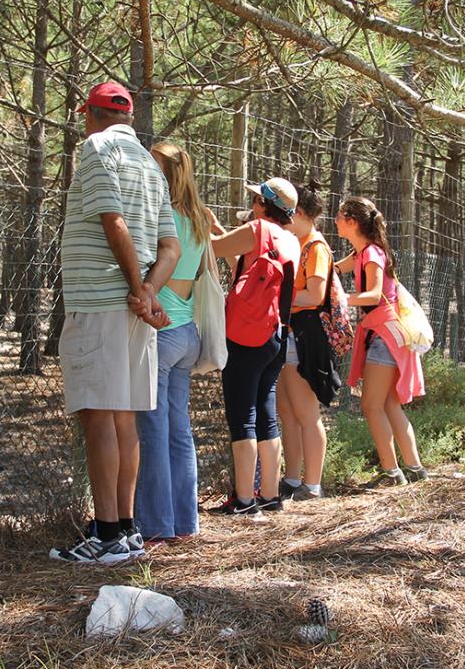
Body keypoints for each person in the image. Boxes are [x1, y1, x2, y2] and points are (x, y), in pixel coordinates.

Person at [50, 82, 180, 565]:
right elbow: (171, 248)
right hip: (133, 307)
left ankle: (106, 534)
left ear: (91, 115)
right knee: (123, 416)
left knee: (99, 415)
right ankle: (124, 532)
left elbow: (113, 221)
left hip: (101, 301)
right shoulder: (149, 163)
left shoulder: (95, 147)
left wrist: (136, 287)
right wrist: (148, 293)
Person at [133, 142, 211, 544]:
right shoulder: (199, 218)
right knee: (179, 430)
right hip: (188, 335)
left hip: (160, 332)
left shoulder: (159, 217)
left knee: (153, 430)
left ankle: (155, 525)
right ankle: (185, 521)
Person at [209, 177, 301, 515]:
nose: (252, 205)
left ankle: (245, 500)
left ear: (265, 204)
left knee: (242, 418)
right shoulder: (290, 239)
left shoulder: (257, 229)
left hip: (245, 334)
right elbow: (243, 267)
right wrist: (220, 228)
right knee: (266, 414)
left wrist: (198, 226)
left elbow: (214, 249)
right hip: (276, 334)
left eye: (256, 199)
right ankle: (270, 495)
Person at [336, 196, 426, 487]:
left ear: (351, 222)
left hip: (384, 335)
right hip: (386, 334)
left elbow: (374, 295)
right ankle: (414, 469)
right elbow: (335, 269)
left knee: (372, 405)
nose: (335, 221)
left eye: (339, 216)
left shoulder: (372, 254)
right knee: (389, 404)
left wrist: (340, 299)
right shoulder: (360, 253)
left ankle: (392, 472)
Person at [277, 182, 340, 503]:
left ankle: (312, 484)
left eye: (288, 211)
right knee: (287, 410)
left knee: (305, 412)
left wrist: (276, 297)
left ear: (299, 212)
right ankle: (291, 478)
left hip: (304, 336)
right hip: (290, 333)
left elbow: (314, 295)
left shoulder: (315, 247)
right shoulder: (296, 243)